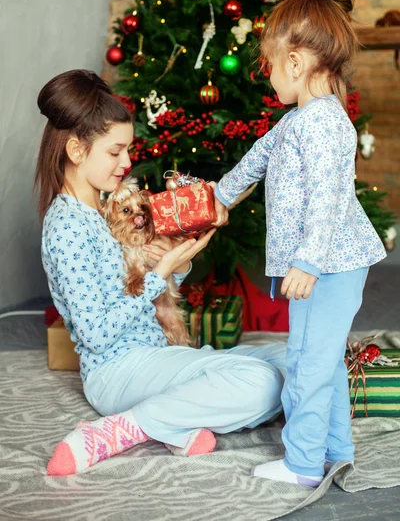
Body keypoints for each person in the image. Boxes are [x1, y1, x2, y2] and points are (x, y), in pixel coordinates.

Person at [35, 69, 286, 476]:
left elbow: (140, 287)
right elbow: (94, 333)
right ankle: (121, 429)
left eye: (127, 150)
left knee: (291, 358)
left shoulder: (103, 211)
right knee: (263, 383)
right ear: (77, 151)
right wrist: (159, 273)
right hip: (116, 372)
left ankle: (172, 418)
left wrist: (177, 264)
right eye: (115, 151)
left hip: (155, 357)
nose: (128, 161)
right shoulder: (66, 226)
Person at [213, 0, 386, 487]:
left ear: (293, 61)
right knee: (323, 359)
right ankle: (335, 448)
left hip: (331, 264)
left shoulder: (328, 124)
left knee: (308, 364)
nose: (267, 75)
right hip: (318, 265)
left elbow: (331, 200)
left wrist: (308, 261)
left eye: (268, 64)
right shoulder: (295, 122)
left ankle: (303, 462)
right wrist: (218, 197)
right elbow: (255, 161)